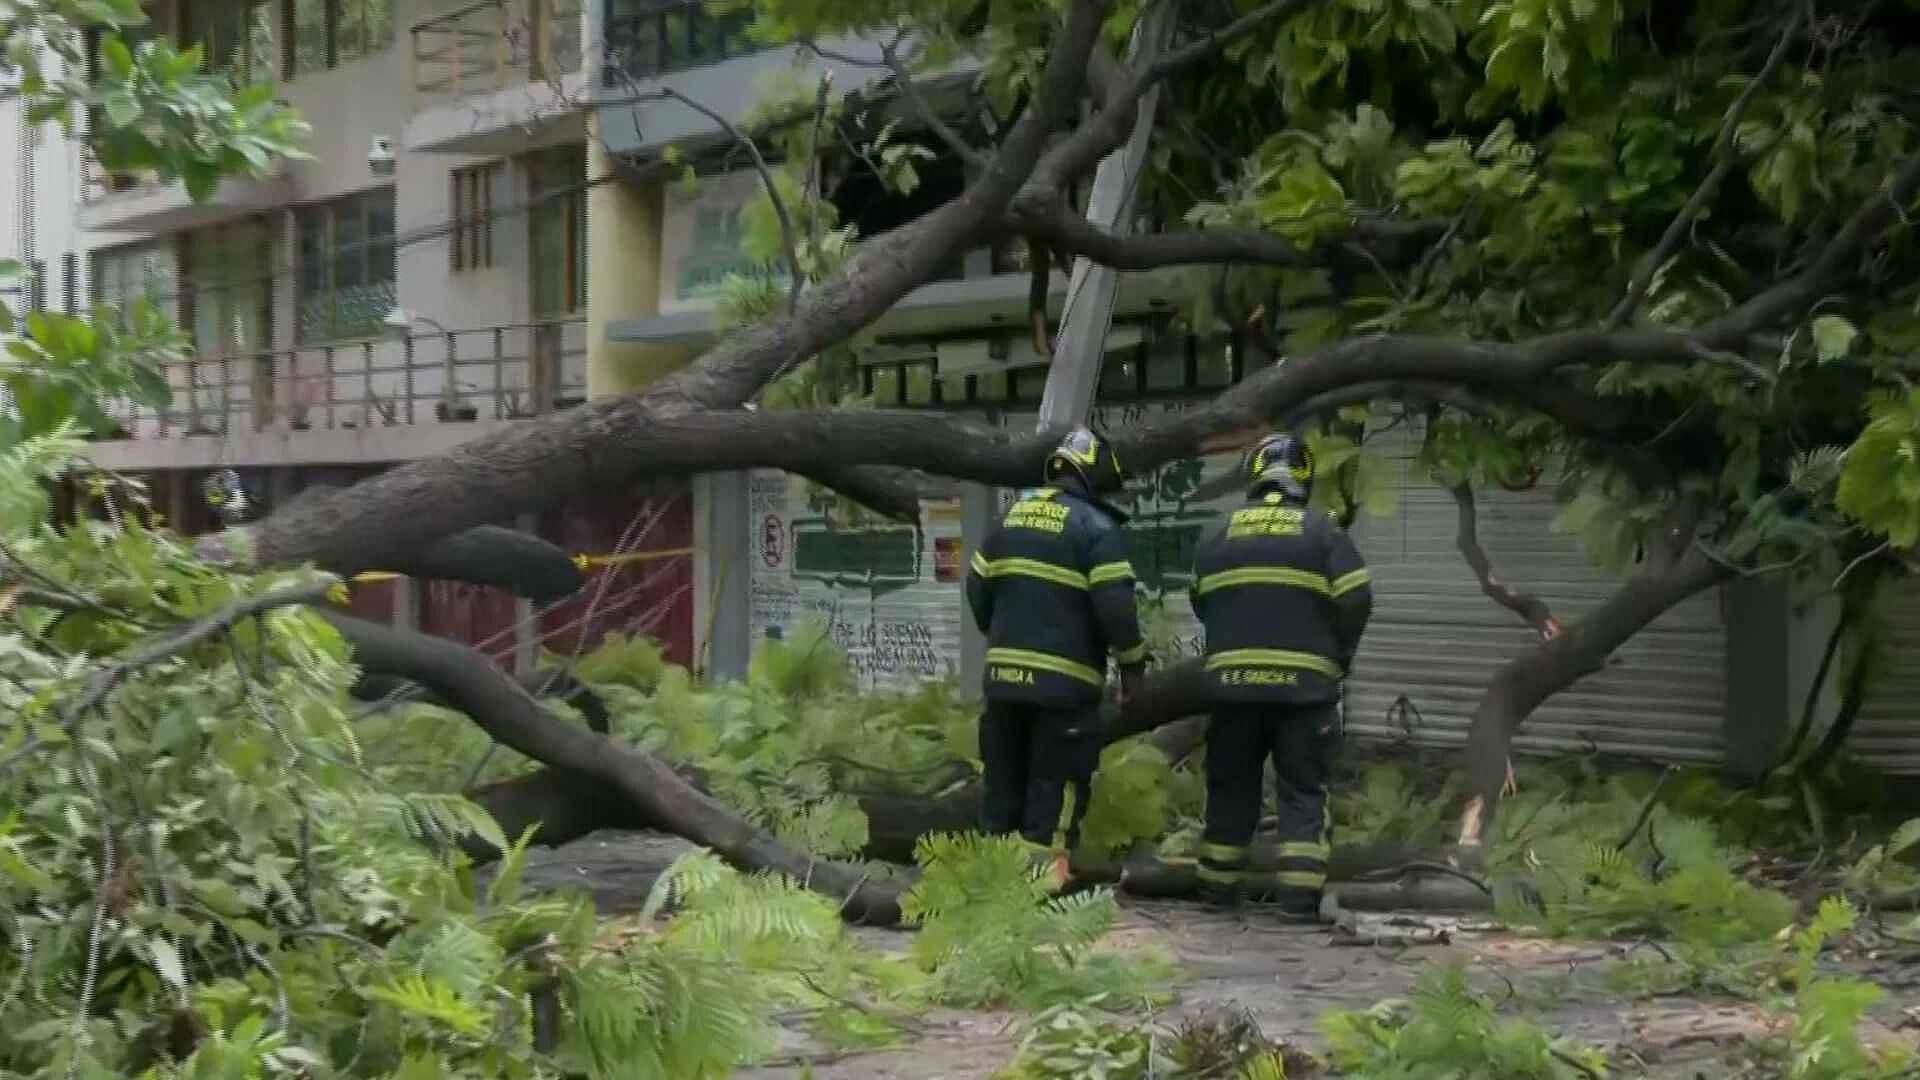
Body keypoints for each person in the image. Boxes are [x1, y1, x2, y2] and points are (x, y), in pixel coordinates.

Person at [1187, 432, 1373, 917]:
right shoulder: (1323, 530)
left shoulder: (1217, 532)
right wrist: (1339, 655)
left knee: (1229, 789)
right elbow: (1356, 597)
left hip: (1231, 692)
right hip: (1304, 694)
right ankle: (1296, 902)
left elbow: (1201, 600)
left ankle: (1215, 894)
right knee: (1303, 791)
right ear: (1305, 478)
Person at [965, 427, 1148, 883]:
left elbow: (977, 586)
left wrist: (1003, 636)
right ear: (1092, 477)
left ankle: (996, 891)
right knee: (1056, 790)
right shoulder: (1096, 529)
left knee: (1002, 787)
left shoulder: (1008, 520)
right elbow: (1117, 610)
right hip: (1064, 692)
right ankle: (1043, 891)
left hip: (1004, 683)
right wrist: (1133, 670)